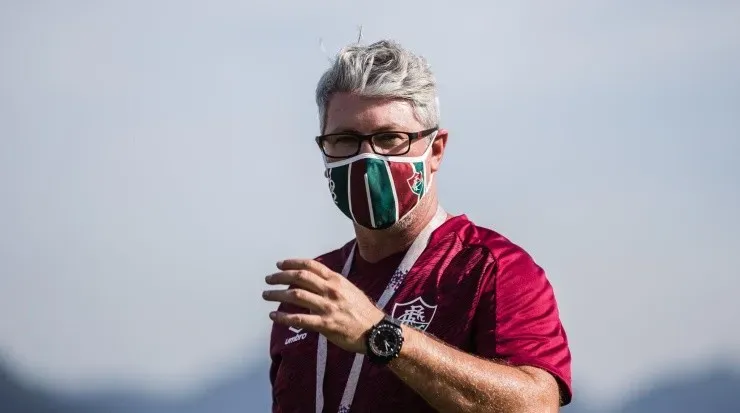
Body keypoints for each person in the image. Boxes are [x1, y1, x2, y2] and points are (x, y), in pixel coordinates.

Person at [263, 39, 572, 413]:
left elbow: (536, 406)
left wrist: (380, 335)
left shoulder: (492, 269)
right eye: (345, 140)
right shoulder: (314, 288)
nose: (367, 157)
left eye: (389, 138)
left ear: (436, 150)